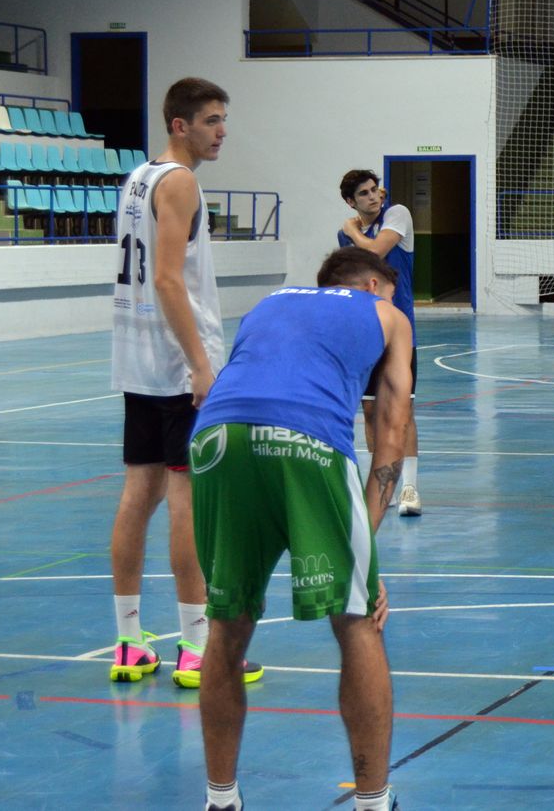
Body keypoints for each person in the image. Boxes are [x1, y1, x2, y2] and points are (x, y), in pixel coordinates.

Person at [190, 247, 412, 811]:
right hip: (307, 438)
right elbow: (390, 431)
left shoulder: (269, 303)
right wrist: (364, 550)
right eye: (390, 288)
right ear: (371, 282)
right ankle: (373, 802)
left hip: (217, 438)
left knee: (227, 623)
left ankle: (221, 800)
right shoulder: (386, 314)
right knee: (358, 620)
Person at [108, 77, 260, 689]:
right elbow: (169, 280)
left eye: (224, 118)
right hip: (175, 366)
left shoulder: (137, 178)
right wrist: (200, 363)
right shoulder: (181, 181)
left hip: (137, 359)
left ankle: (127, 641)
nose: (222, 129)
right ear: (180, 124)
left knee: (136, 494)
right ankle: (197, 649)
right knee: (187, 502)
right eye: (212, 120)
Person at [339, 170, 422, 516]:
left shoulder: (397, 214)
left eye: (375, 190)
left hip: (400, 334)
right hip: (366, 335)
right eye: (364, 193)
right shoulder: (347, 239)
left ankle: (410, 490)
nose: (373, 197)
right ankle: (379, 486)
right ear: (350, 201)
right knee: (371, 412)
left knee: (402, 412)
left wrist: (352, 229)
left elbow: (375, 251)